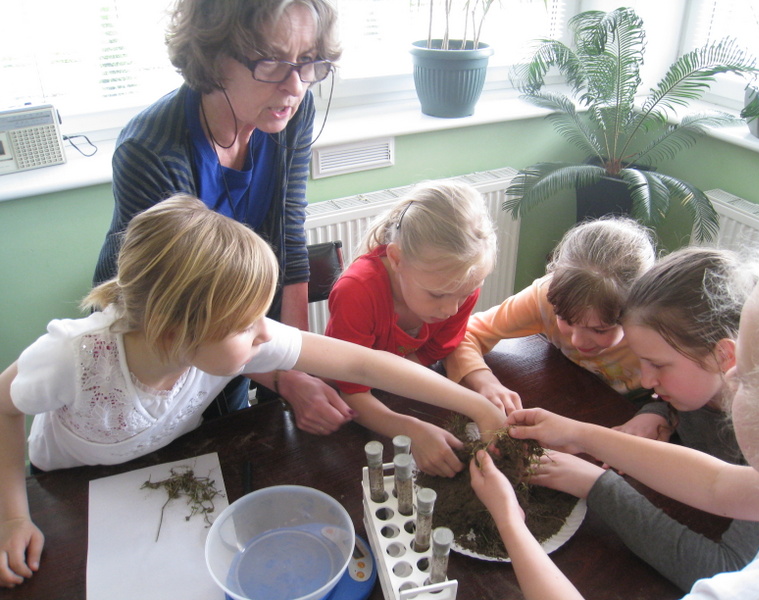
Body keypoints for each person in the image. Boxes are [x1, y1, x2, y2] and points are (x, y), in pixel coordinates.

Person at [0, 196, 506, 589]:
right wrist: (14, 515)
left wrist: (475, 404)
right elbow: (3, 408)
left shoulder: (230, 338)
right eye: (248, 325)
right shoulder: (71, 357)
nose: (266, 334)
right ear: (176, 332)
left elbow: (359, 362)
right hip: (69, 491)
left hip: (163, 470)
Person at [469, 238, 759, 599]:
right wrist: (580, 434)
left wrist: (511, 520)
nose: (645, 382)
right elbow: (718, 485)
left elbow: (723, 563)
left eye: (746, 378)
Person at [93, 0, 347, 433]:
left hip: (230, 325)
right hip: (161, 333)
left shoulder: (288, 112)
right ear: (213, 56)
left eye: (308, 62)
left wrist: (296, 363)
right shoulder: (151, 151)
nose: (295, 86)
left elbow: (289, 231)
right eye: (271, 62)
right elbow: (184, 307)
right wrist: (283, 378)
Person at [324, 180, 497, 477]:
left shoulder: (458, 285)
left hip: (393, 398)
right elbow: (350, 389)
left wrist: (397, 384)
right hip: (347, 412)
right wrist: (410, 429)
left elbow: (433, 351)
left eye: (465, 295)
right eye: (437, 295)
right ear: (396, 259)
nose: (451, 309)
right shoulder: (357, 292)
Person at [445, 217, 656, 412]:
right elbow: (463, 334)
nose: (577, 341)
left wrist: (656, 414)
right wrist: (485, 382)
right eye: (566, 320)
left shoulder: (659, 327)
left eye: (599, 330)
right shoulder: (545, 297)